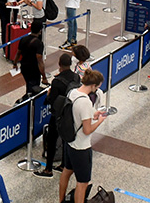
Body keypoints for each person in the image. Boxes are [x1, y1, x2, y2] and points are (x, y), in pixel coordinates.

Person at [57, 70, 106, 203]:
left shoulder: (73, 92)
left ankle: (61, 200)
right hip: (81, 147)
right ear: (93, 85)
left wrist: (94, 114)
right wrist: (100, 121)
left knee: (67, 171)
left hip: (69, 141)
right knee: (82, 182)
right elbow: (87, 130)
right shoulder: (85, 102)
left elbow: (77, 115)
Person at [34, 52, 79, 179]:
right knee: (65, 139)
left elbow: (51, 100)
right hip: (70, 113)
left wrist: (49, 93)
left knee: (52, 140)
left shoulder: (57, 81)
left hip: (58, 115)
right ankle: (64, 164)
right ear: (70, 64)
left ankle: (48, 169)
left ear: (59, 65)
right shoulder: (76, 77)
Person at [15, 20, 48, 98]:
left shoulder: (23, 39)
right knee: (34, 87)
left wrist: (15, 63)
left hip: (24, 67)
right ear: (40, 30)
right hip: (34, 69)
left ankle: (28, 96)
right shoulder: (39, 43)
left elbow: (18, 52)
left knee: (29, 84)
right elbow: (39, 61)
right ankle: (30, 102)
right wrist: (44, 76)